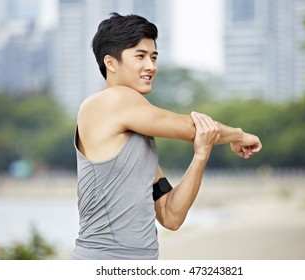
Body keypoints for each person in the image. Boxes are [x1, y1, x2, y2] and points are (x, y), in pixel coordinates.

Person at [70, 13, 262, 260]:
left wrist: (201, 155)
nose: (151, 66)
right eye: (140, 56)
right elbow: (190, 128)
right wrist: (238, 135)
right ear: (111, 63)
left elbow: (172, 216)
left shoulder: (138, 141)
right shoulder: (111, 101)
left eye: (153, 57)